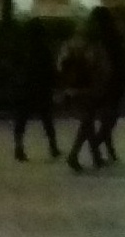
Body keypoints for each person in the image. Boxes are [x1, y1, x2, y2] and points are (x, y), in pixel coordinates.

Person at [57, 15, 110, 174]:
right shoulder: (89, 46)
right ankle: (76, 154)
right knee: (87, 121)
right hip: (87, 87)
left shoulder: (67, 45)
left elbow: (60, 66)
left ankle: (95, 156)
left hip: (71, 87)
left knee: (87, 121)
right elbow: (94, 64)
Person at [7, 17, 59, 162]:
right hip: (41, 88)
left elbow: (14, 66)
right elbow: (50, 70)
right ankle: (53, 146)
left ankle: (19, 147)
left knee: (21, 119)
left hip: (24, 88)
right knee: (47, 118)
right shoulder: (43, 49)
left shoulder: (22, 48)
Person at [83, 7, 125, 168]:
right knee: (109, 118)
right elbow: (120, 60)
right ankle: (95, 147)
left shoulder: (92, 38)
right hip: (112, 81)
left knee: (94, 118)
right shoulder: (113, 37)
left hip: (95, 82)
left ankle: (100, 150)